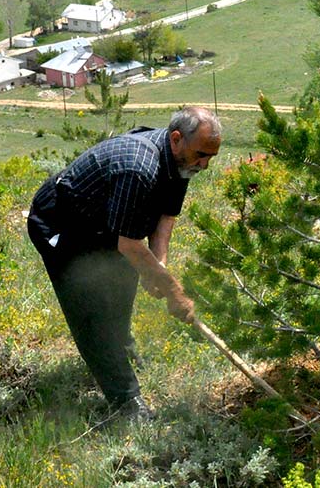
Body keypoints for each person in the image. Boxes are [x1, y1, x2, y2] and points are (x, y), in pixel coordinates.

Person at [27, 106, 222, 416]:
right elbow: (130, 244)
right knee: (91, 312)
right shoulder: (139, 167)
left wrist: (158, 269)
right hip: (63, 225)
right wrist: (173, 290)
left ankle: (123, 352)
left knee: (121, 287)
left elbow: (165, 219)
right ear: (176, 139)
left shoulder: (182, 163)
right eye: (202, 155)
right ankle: (126, 402)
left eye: (211, 157)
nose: (205, 164)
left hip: (107, 225)